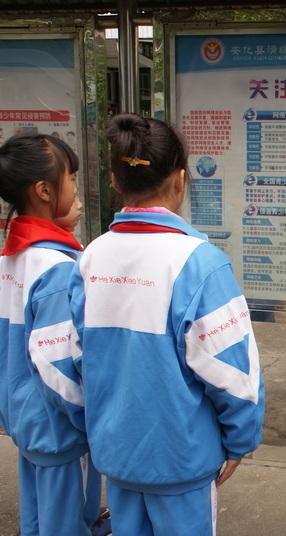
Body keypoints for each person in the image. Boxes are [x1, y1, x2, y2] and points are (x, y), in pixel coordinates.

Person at [68, 113, 265, 536]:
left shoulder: (90, 257)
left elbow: (78, 358)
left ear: (116, 181)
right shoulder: (200, 263)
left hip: (117, 457)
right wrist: (240, 439)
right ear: (180, 180)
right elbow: (233, 373)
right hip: (182, 462)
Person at [0, 133, 102, 535]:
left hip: (27, 424)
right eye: (72, 179)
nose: (77, 190)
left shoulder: (11, 260)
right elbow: (57, 363)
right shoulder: (56, 268)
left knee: (38, 521)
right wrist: (89, 418)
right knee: (67, 523)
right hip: (61, 432)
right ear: (44, 191)